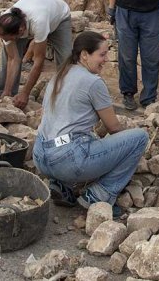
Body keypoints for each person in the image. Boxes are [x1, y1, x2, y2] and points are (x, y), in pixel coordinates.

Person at [33, 31, 149, 218]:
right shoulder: (93, 82)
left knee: (85, 138)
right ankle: (99, 195)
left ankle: (60, 185)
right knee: (139, 138)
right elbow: (113, 127)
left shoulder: (60, 75)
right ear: (84, 55)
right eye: (102, 55)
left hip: (40, 155)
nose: (106, 60)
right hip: (67, 160)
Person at [0, 0, 72, 109]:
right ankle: (9, 93)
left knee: (66, 60)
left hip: (59, 16)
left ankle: (66, 99)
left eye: (9, 38)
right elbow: (13, 59)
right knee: (7, 57)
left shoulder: (38, 22)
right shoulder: (4, 24)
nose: (6, 41)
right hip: (38, 12)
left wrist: (25, 93)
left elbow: (39, 61)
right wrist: (6, 92)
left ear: (21, 31)